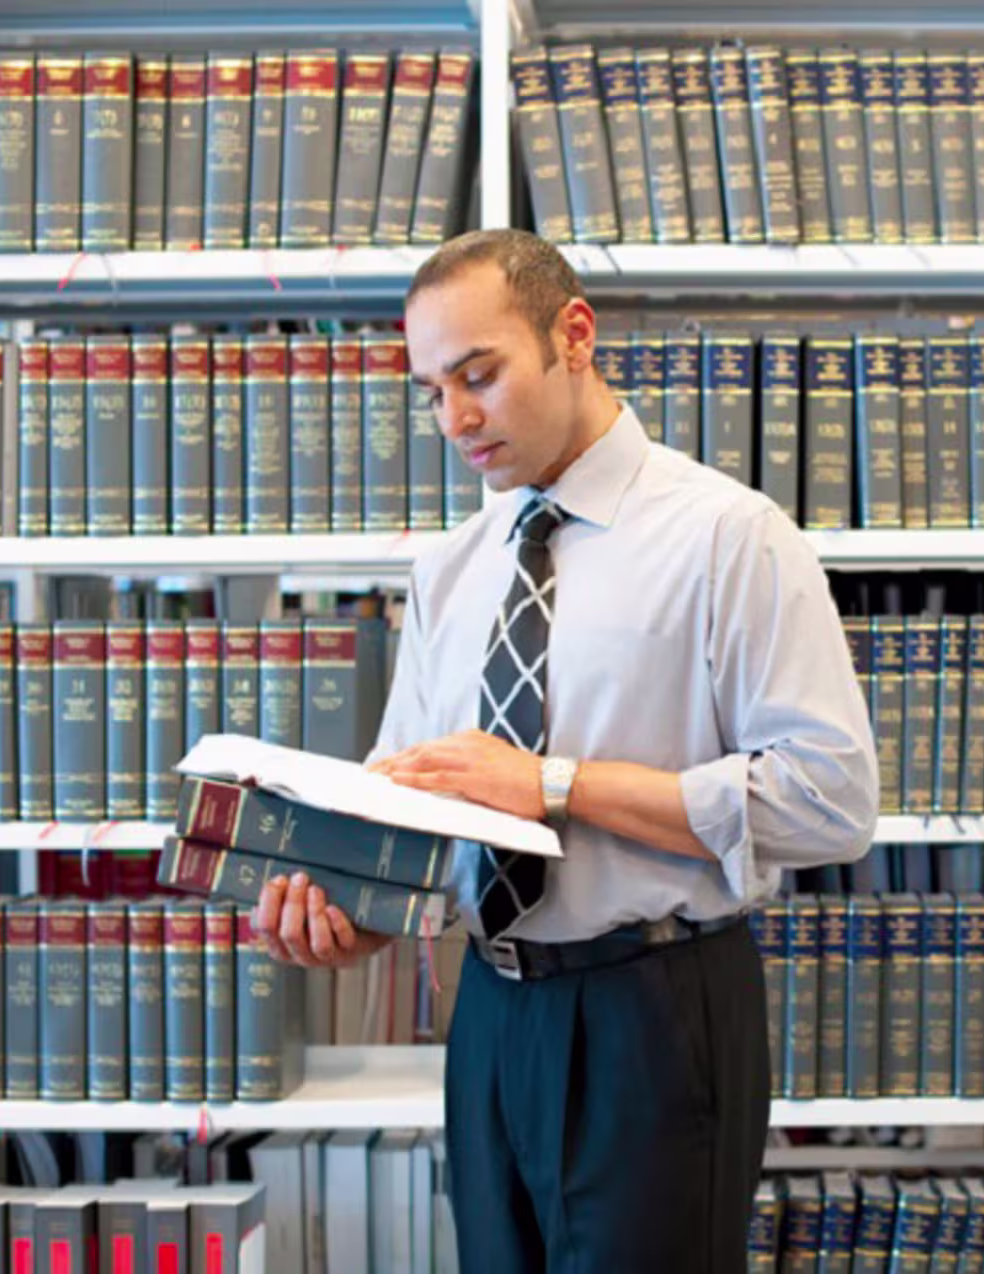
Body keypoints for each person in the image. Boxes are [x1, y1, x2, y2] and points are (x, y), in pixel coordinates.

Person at [252, 228, 879, 1272]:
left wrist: (552, 786)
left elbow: (830, 798)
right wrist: (350, 916)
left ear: (573, 335)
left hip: (654, 1011)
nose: (453, 418)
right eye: (430, 389)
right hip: (491, 1014)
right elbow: (416, 807)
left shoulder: (729, 535)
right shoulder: (452, 568)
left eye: (478, 375)